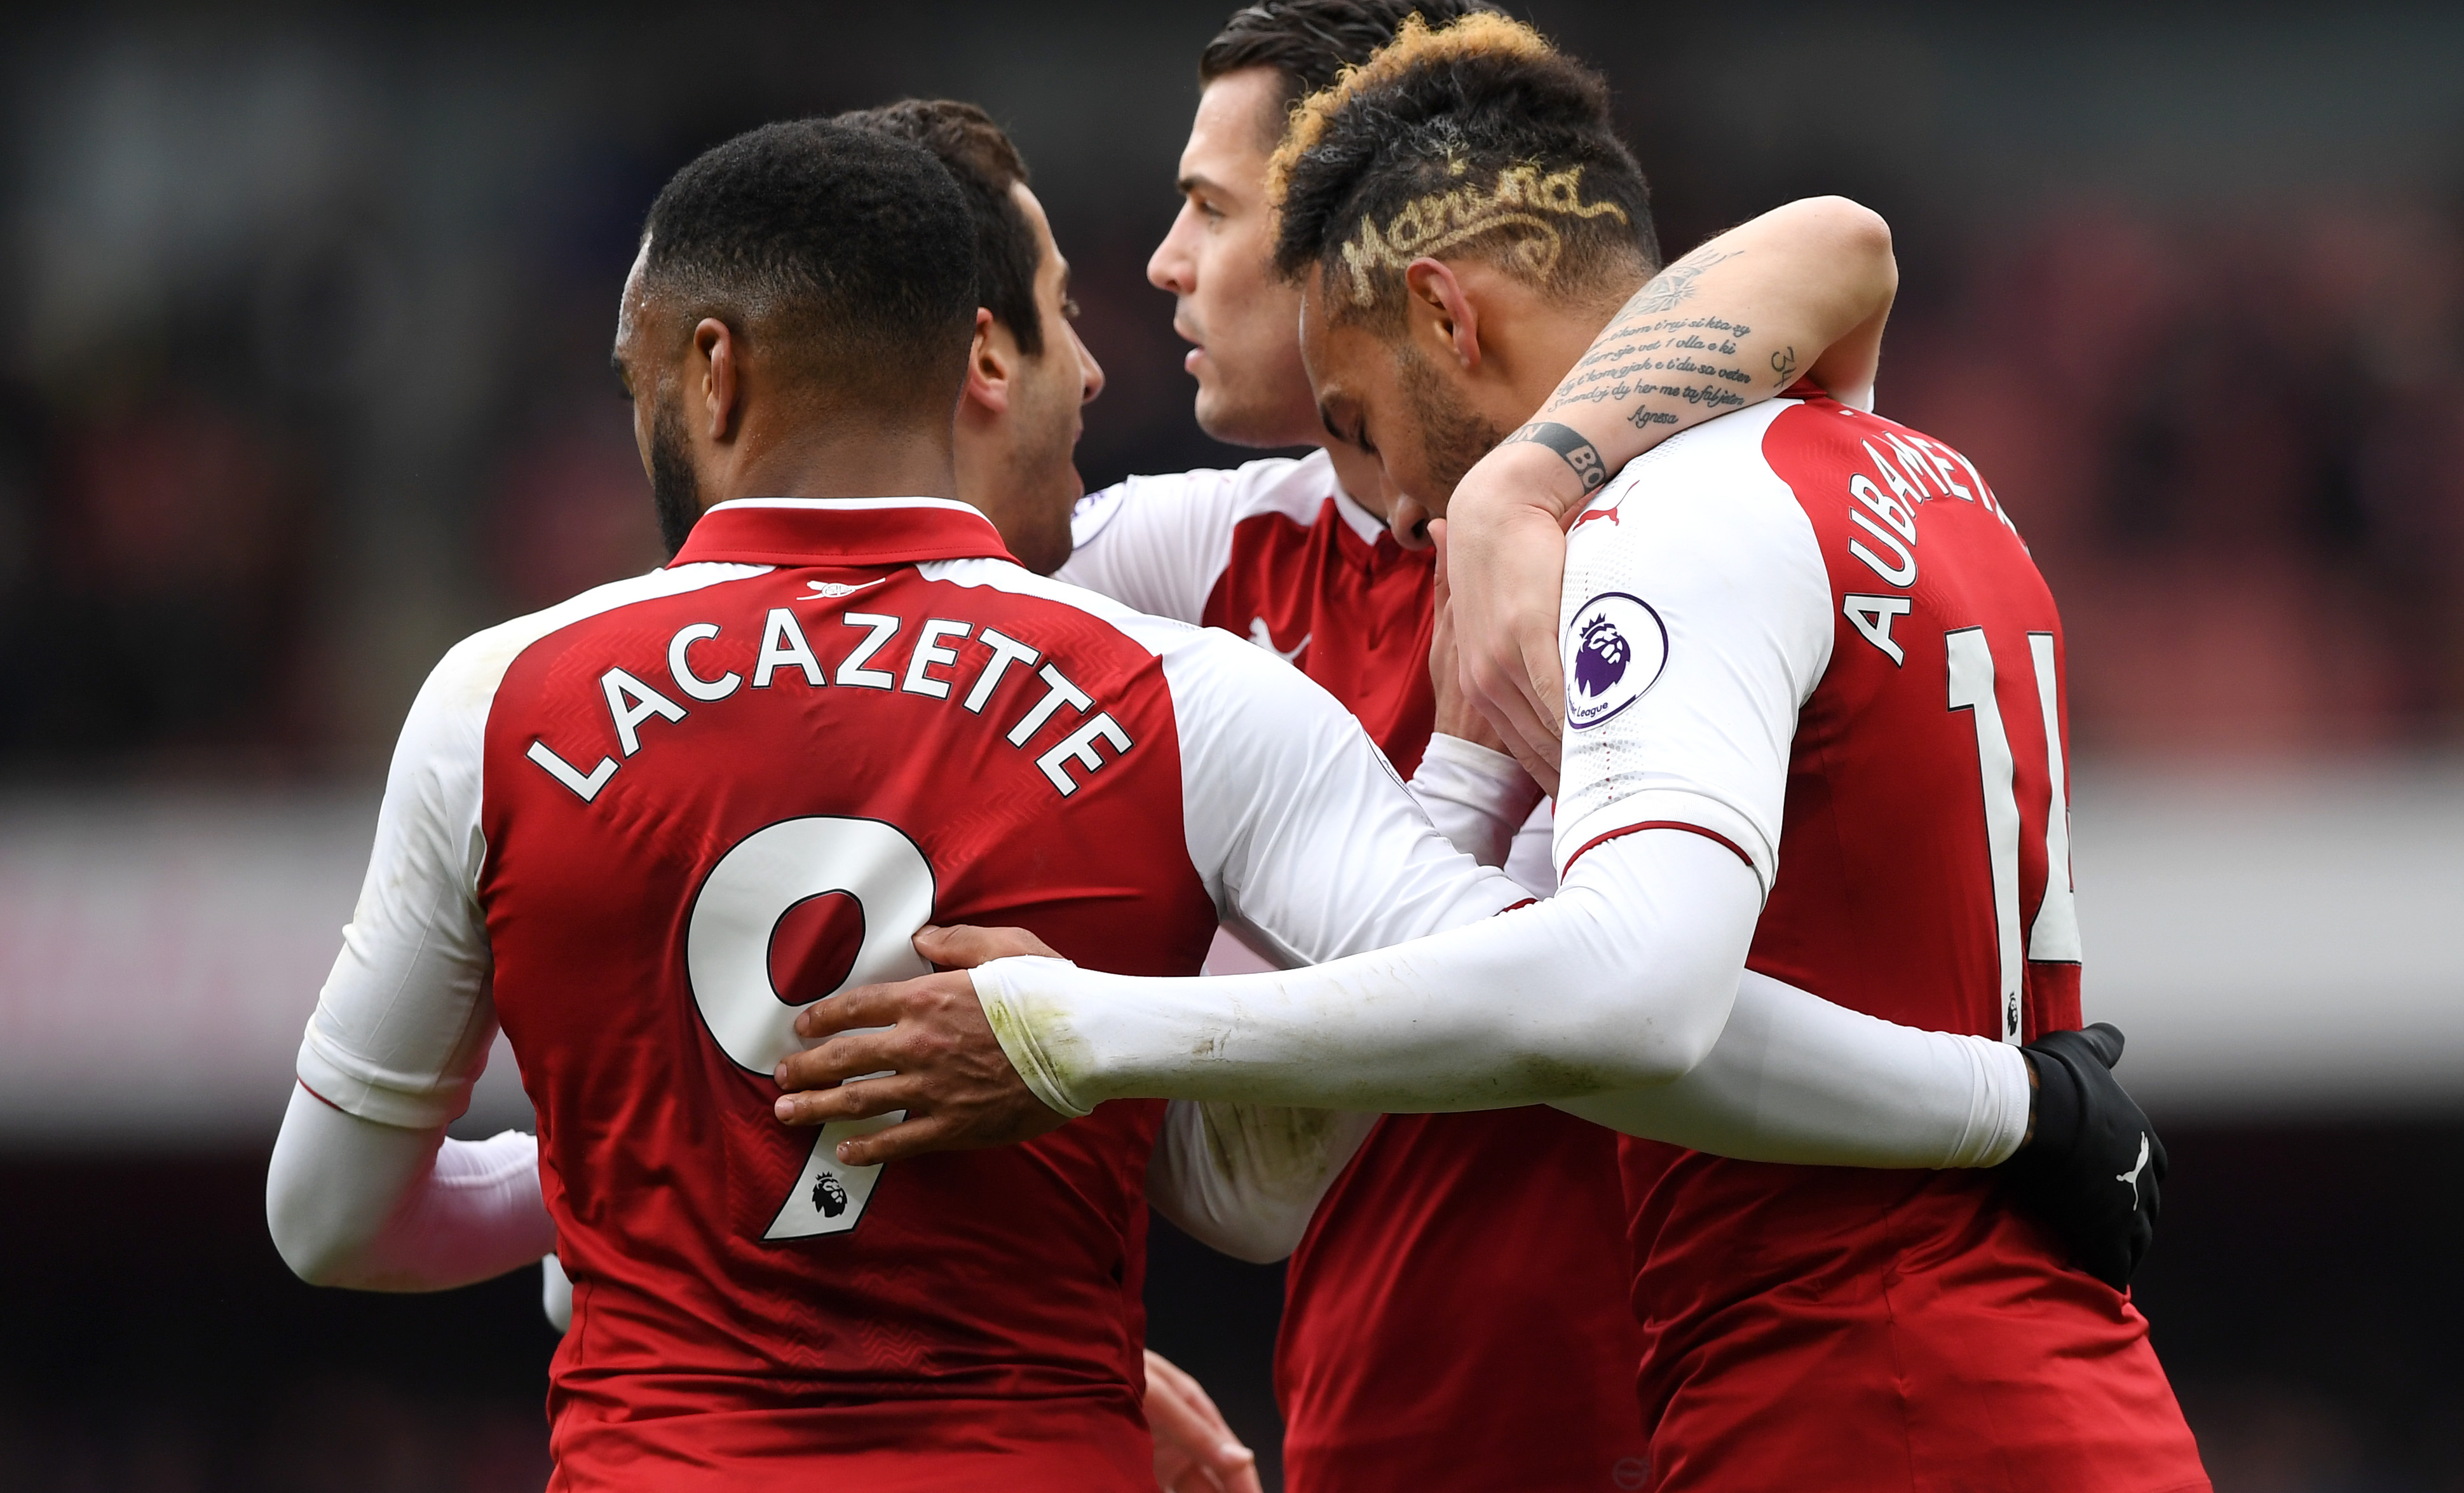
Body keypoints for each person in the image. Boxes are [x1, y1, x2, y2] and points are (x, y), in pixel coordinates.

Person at [266, 118, 2123, 1490]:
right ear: (971, 358)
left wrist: (625, 1161)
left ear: (709, 368)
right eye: (1079, 298)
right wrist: (2004, 1102)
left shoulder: (496, 699)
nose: (1117, 345)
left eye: (1197, 222)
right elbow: (1595, 1011)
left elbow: (333, 1219)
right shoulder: (1182, 690)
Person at [773, 16, 2209, 1491]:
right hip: (1975, 1362)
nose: (1392, 493)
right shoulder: (1913, 472)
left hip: (1854, 1391)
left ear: (1441, 309)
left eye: (1215, 210)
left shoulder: (1641, 528)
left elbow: (1628, 999)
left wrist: (1077, 1029)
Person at [1059, 0, 1636, 1490]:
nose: (1166, 266)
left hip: (1709, 1416)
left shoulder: (1672, 534)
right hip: (1377, 1427)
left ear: (1360, 235)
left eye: (1211, 208)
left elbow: (1834, 251)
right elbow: (797, 678)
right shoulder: (1190, 557)